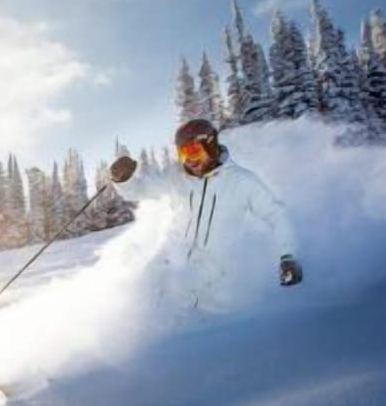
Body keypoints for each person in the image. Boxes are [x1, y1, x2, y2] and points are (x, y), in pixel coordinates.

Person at [109, 118, 302, 311]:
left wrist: (288, 256)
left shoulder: (241, 181)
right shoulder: (175, 175)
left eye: (193, 151)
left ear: (210, 145)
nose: (189, 160)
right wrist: (122, 178)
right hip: (172, 265)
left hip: (213, 277)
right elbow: (138, 191)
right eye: (183, 153)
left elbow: (276, 215)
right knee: (140, 305)